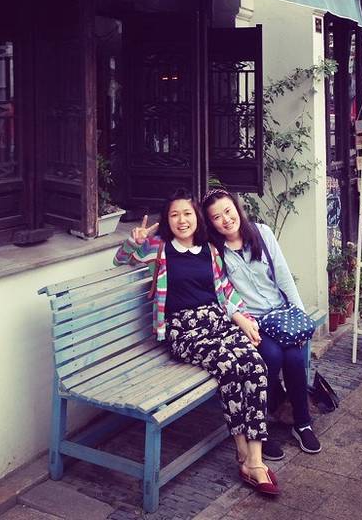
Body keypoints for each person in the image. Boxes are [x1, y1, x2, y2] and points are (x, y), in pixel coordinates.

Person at [113, 189, 279, 495]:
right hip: (183, 331)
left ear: (197, 217)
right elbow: (121, 260)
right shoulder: (159, 248)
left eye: (187, 213)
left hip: (216, 322)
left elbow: (225, 292)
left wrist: (242, 318)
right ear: (167, 220)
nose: (182, 220)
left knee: (255, 365)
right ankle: (243, 452)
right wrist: (134, 241)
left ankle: (255, 459)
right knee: (229, 366)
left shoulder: (209, 251)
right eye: (174, 215)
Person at [203, 188, 322, 457]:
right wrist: (241, 320)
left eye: (228, 211)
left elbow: (283, 276)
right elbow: (220, 294)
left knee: (294, 358)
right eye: (217, 217)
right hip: (251, 321)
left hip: (280, 314)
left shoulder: (262, 234)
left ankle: (302, 423)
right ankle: (260, 429)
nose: (226, 220)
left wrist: (299, 317)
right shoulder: (215, 251)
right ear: (210, 223)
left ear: (237, 209)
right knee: (271, 356)